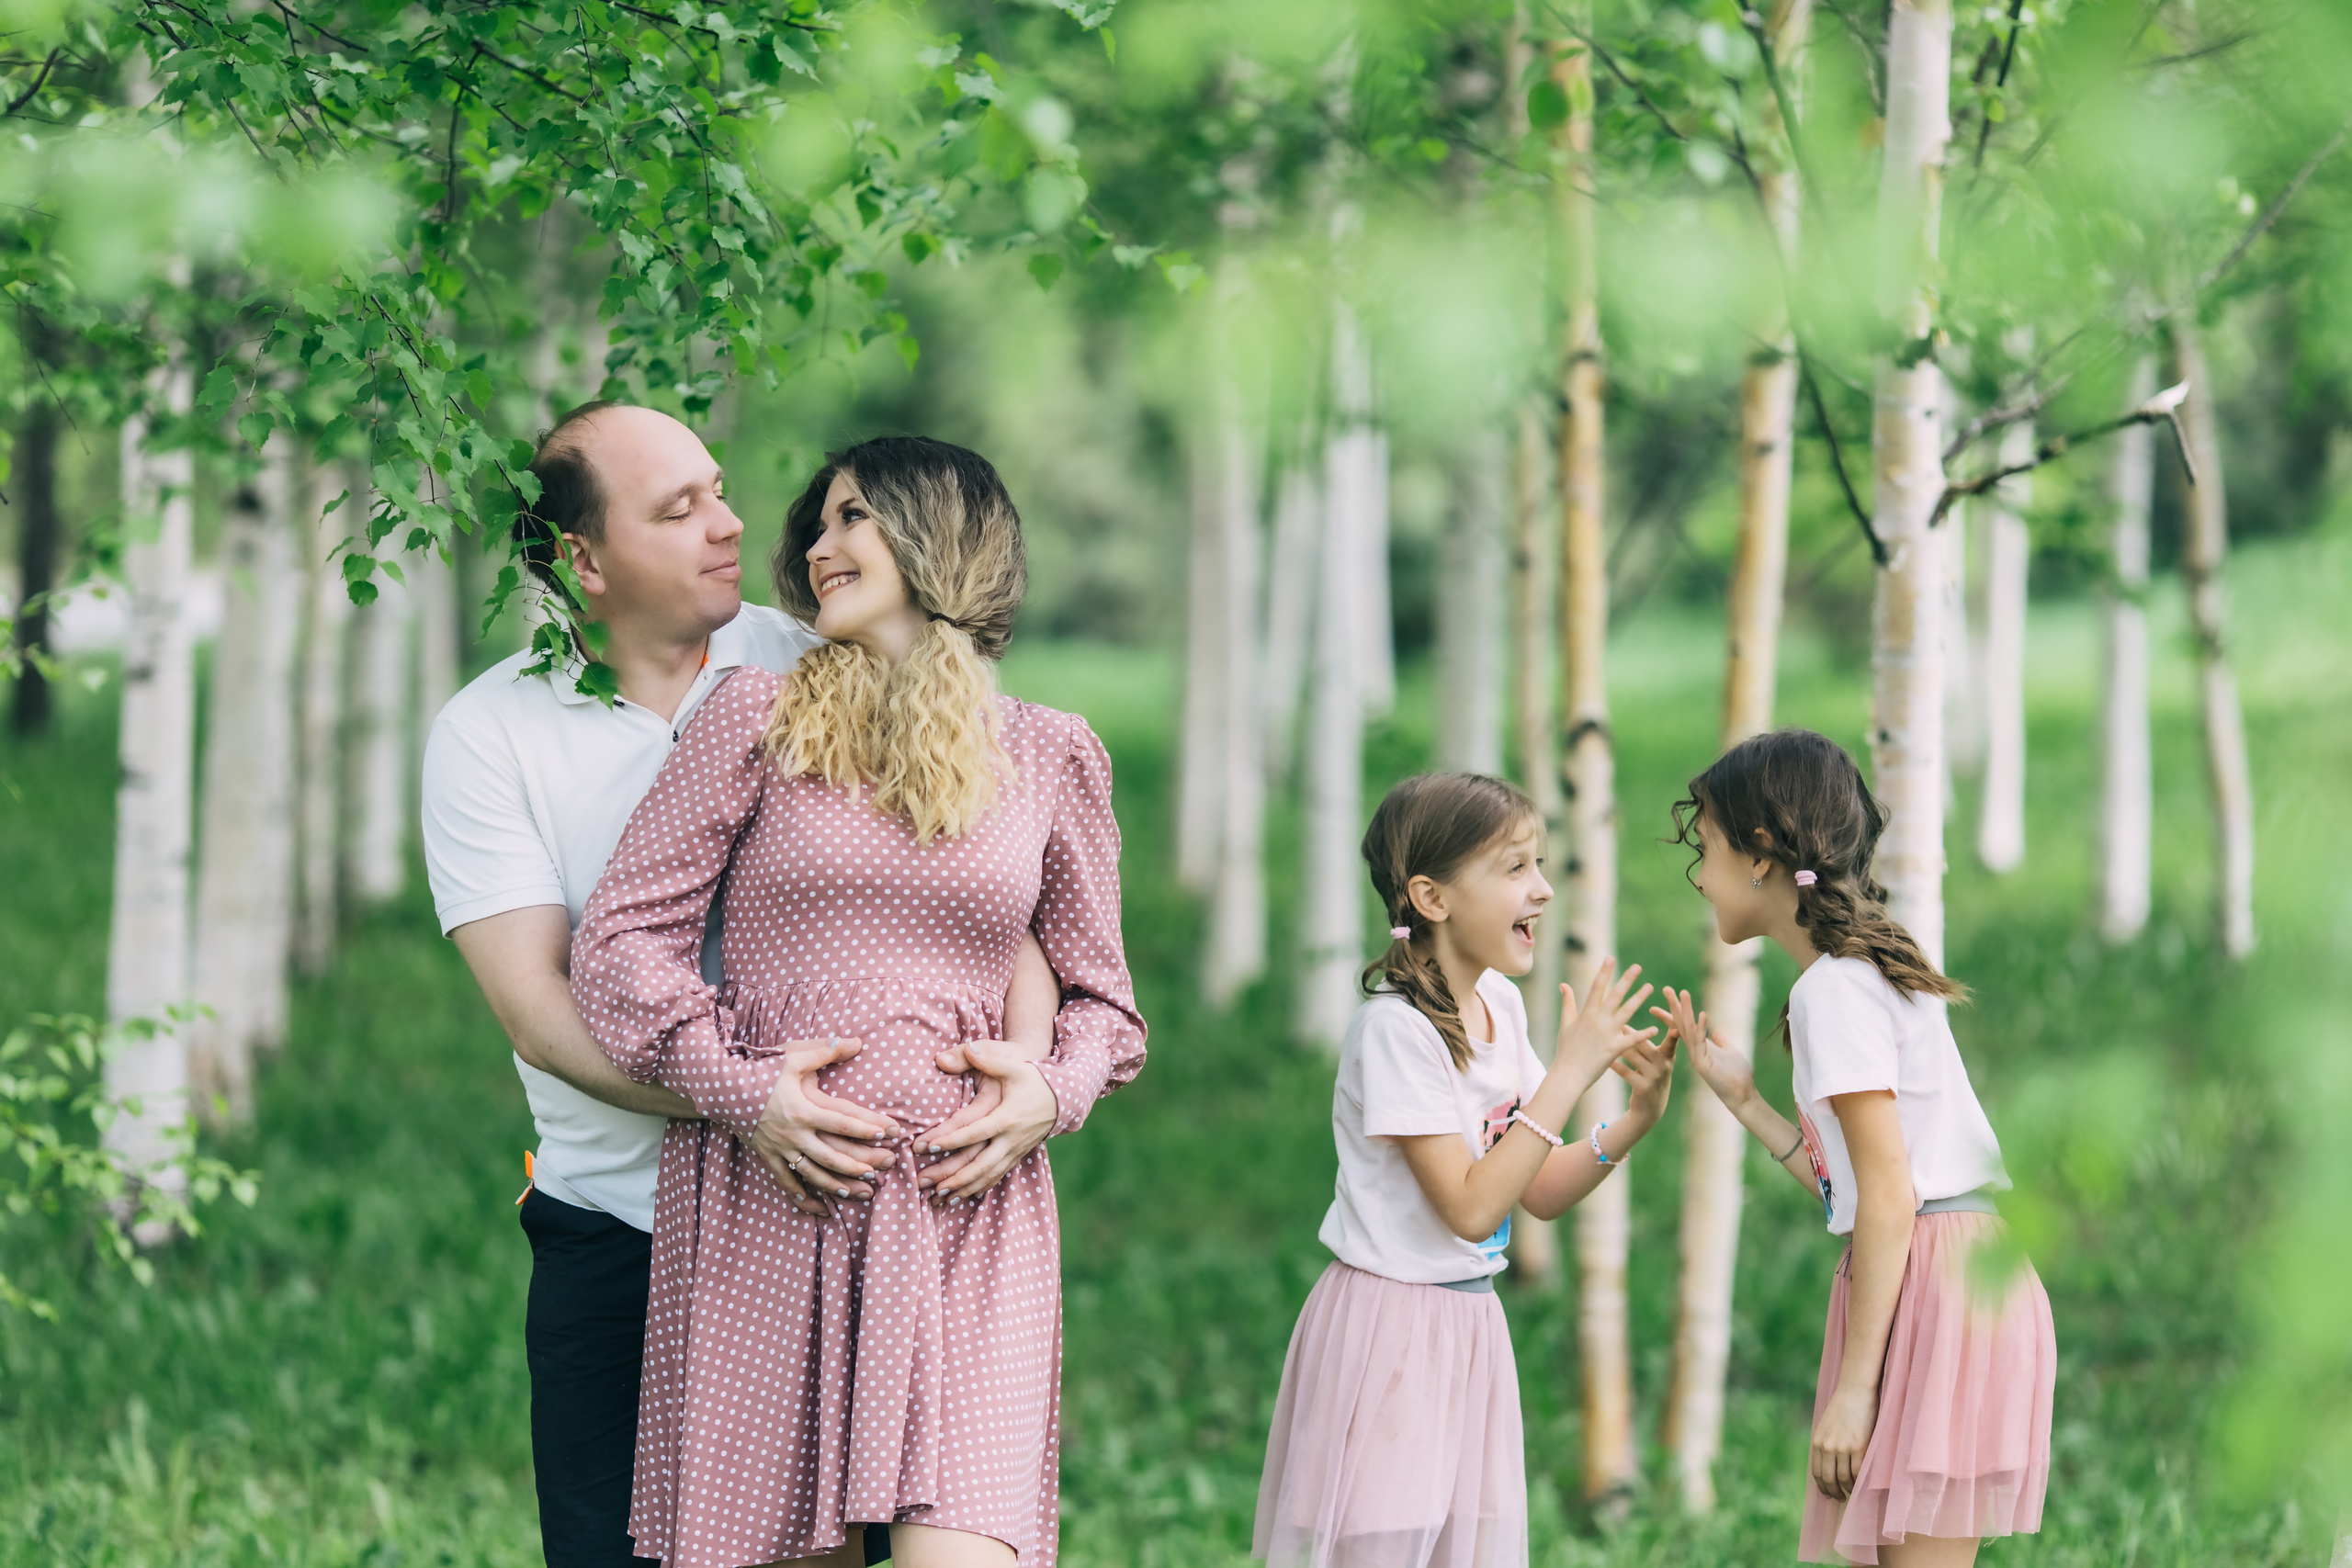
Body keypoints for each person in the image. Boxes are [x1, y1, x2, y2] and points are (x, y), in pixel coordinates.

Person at [422, 405, 1060, 1568]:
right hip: (621, 1222)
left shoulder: (821, 650)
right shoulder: (489, 733)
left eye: (717, 490)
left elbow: (977, 892)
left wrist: (1024, 1082)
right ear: (583, 560)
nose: (732, 525)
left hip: (867, 1211)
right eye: (680, 510)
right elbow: (538, 1008)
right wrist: (748, 1102)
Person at [569, 434, 1146, 1568]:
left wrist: (1051, 1092)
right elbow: (624, 942)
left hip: (968, 1216)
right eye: (817, 526)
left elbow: (1105, 1005)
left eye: (853, 518)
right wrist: (738, 1090)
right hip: (774, 1202)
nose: (817, 549)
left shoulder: (1048, 753)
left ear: (939, 538)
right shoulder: (753, 718)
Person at [1253, 772, 1675, 1568]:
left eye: (1540, 863)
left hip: (1469, 1326)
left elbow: (1534, 1188)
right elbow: (1472, 1208)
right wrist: (1569, 1073)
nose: (1542, 887)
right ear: (1432, 897)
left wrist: (1634, 1120)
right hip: (1390, 1330)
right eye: (1515, 867)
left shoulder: (1500, 1008)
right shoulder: (1395, 1031)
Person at [1657, 728, 2056, 1567]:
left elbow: (1889, 1194)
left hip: (1935, 1280)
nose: (1700, 874)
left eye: (1709, 846)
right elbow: (1861, 1186)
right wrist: (1746, 1101)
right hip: (1944, 1265)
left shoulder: (1834, 990)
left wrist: (1854, 1389)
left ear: (1759, 854)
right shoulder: (1857, 972)